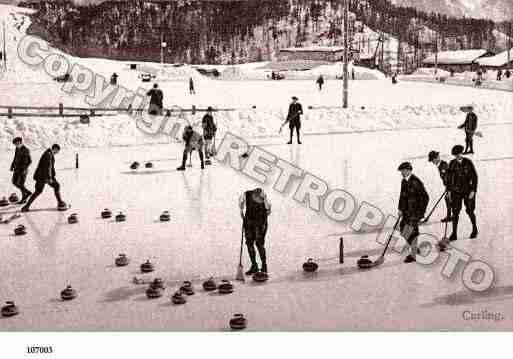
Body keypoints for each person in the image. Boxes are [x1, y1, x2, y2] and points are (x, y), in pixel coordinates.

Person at [397, 162, 429, 263]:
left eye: (404, 171)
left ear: (409, 170)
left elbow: (425, 197)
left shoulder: (415, 182)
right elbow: (402, 196)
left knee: (413, 232)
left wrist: (420, 213)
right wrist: (400, 209)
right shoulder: (404, 181)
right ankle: (415, 248)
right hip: (406, 212)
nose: (402, 172)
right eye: (401, 171)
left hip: (415, 213)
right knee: (403, 229)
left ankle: (414, 254)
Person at [21, 144, 66, 212]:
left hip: (42, 176)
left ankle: (26, 207)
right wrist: (49, 178)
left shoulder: (48, 153)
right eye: (57, 151)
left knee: (41, 190)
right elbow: (48, 167)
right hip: (43, 177)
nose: (57, 153)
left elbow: (49, 167)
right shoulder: (48, 154)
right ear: (55, 149)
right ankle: (60, 203)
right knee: (50, 188)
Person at [447, 145, 478, 242]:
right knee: (455, 212)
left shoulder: (468, 162)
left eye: (459, 154)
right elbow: (449, 179)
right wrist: (448, 191)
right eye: (455, 155)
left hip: (468, 191)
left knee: (469, 210)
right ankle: (454, 233)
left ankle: (474, 229)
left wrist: (473, 190)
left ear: (462, 153)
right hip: (456, 192)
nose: (457, 156)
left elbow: (475, 177)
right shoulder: (452, 163)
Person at [239, 188, 271, 274]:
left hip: (260, 224)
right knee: (249, 243)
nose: (258, 200)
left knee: (259, 244)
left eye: (260, 199)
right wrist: (241, 210)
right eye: (257, 198)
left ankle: (264, 266)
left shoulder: (265, 200)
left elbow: (268, 211)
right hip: (249, 223)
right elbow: (241, 201)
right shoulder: (247, 194)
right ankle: (254, 266)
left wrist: (265, 204)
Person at [428, 151, 451, 222]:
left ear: (437, 158)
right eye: (432, 160)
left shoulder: (443, 165)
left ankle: (450, 216)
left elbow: (449, 178)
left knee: (449, 199)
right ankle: (450, 216)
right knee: (448, 199)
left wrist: (449, 189)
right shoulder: (440, 166)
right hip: (449, 186)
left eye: (433, 160)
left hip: (452, 186)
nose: (432, 162)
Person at [10, 137, 32, 204]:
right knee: (14, 182)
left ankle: (24, 199)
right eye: (15, 144)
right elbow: (15, 157)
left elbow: (30, 161)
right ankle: (28, 192)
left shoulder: (26, 150)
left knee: (21, 184)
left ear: (20, 142)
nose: (15, 145)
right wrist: (12, 165)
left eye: (16, 143)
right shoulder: (17, 148)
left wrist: (24, 169)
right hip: (16, 169)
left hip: (23, 170)